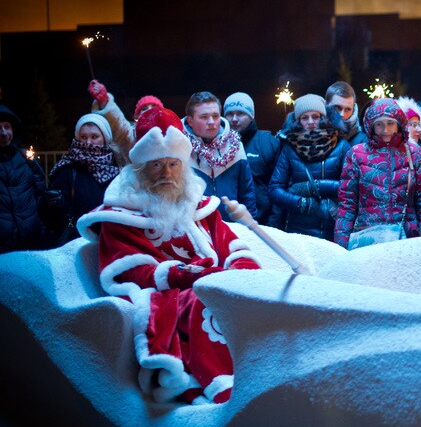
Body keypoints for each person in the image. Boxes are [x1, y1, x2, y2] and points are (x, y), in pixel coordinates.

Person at [76, 107, 261, 405]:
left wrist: (242, 271)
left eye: (174, 164)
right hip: (167, 294)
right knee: (203, 302)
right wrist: (184, 275)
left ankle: (263, 374)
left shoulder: (197, 204)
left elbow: (230, 246)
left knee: (251, 295)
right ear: (140, 168)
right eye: (157, 165)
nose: (167, 173)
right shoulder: (122, 214)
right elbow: (128, 270)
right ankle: (223, 387)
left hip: (212, 280)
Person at [335, 98, 421, 248]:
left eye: (390, 123)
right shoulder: (356, 155)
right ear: (371, 126)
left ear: (399, 124)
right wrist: (341, 246)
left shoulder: (414, 153)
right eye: (379, 124)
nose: (386, 130)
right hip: (368, 237)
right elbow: (347, 204)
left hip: (407, 238)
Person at [267, 94, 350, 241]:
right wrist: (301, 203)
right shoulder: (289, 148)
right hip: (297, 230)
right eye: (305, 118)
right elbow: (274, 189)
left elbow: (351, 187)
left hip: (332, 228)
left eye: (315, 116)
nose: (311, 122)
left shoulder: (341, 146)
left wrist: (315, 187)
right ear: (298, 121)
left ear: (323, 118)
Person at [46, 113, 126, 244]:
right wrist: (51, 204)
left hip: (111, 242)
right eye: (83, 137)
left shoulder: (119, 167)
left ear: (105, 139)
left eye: (94, 137)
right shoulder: (67, 169)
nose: (88, 142)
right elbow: (51, 217)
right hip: (76, 243)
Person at [182, 91, 257, 221]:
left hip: (233, 226)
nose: (211, 122)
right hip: (195, 226)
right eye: (204, 117)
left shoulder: (235, 145)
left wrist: (251, 222)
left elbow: (247, 193)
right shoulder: (178, 147)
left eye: (215, 116)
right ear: (190, 120)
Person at [223, 93, 280, 225]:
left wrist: (274, 224)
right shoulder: (218, 144)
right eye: (230, 114)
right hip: (228, 223)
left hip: (262, 222)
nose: (234, 119)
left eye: (240, 113)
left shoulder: (268, 143)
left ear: (251, 115)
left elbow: (279, 187)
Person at [0, 104, 46, 253]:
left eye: (7, 127)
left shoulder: (27, 160)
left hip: (32, 240)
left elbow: (40, 194)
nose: (3, 132)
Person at [325, 81, 366, 146]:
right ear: (326, 104)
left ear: (353, 109)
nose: (342, 114)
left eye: (347, 109)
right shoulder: (312, 129)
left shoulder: (363, 140)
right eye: (337, 107)